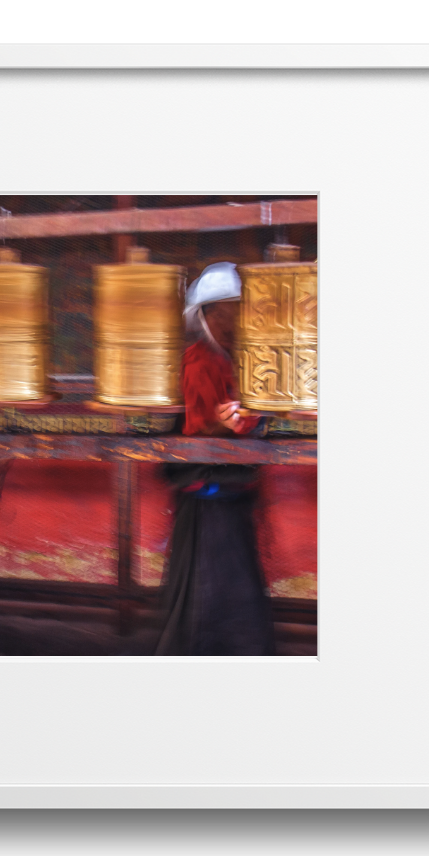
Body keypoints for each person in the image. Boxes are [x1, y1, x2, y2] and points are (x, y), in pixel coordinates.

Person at [152, 262, 277, 658]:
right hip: (207, 489)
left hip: (232, 489)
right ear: (207, 315)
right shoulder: (198, 360)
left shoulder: (233, 356)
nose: (235, 318)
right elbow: (201, 429)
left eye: (240, 309)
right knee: (210, 584)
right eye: (227, 310)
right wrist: (245, 420)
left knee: (234, 580)